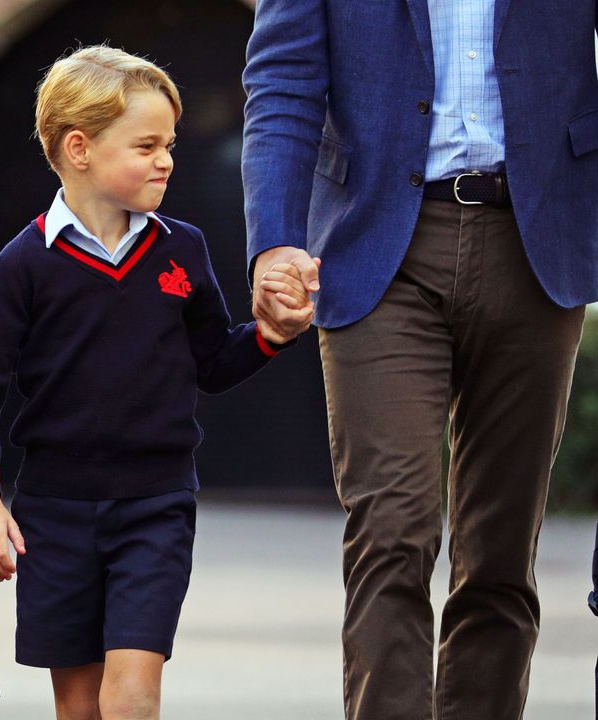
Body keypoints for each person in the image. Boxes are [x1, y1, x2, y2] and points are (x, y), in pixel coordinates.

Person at [241, 2, 598, 718]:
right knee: (392, 531)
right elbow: (282, 81)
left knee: (499, 551)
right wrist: (274, 238)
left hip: (536, 240)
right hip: (377, 244)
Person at [0, 46, 313, 720]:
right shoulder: (24, 266)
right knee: (81, 705)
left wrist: (270, 336)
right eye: (146, 145)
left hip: (156, 505)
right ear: (79, 148)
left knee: (133, 692)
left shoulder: (185, 249)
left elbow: (214, 362)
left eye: (168, 143)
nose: (167, 159)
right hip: (54, 513)